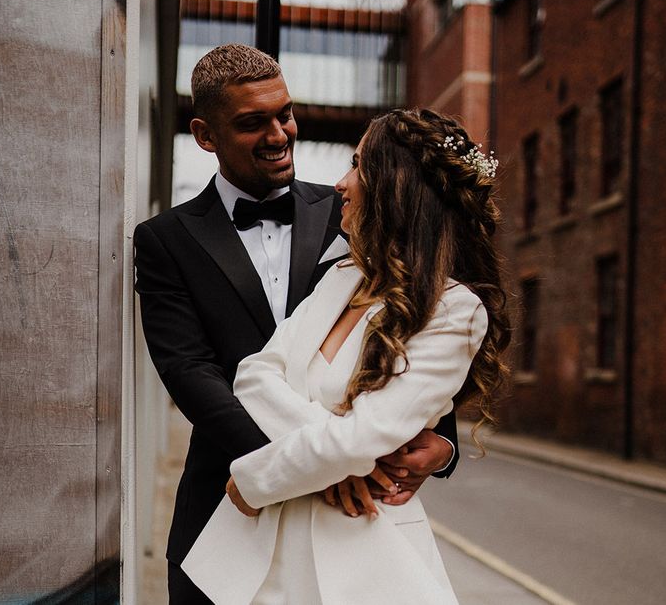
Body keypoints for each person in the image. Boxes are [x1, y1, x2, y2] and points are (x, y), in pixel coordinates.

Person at [134, 45, 459, 603]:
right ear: (205, 135)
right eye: (252, 123)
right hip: (226, 499)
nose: (280, 134)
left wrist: (443, 444)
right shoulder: (165, 240)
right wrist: (320, 463)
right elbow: (190, 373)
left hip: (353, 520)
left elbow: (422, 323)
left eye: (284, 113)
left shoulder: (353, 209)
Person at [181, 108, 512, 604]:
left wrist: (257, 481)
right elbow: (253, 376)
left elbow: (363, 437)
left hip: (358, 557)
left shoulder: (455, 311)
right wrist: (338, 461)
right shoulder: (342, 277)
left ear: (395, 187)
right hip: (261, 560)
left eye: (358, 166)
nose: (341, 183)